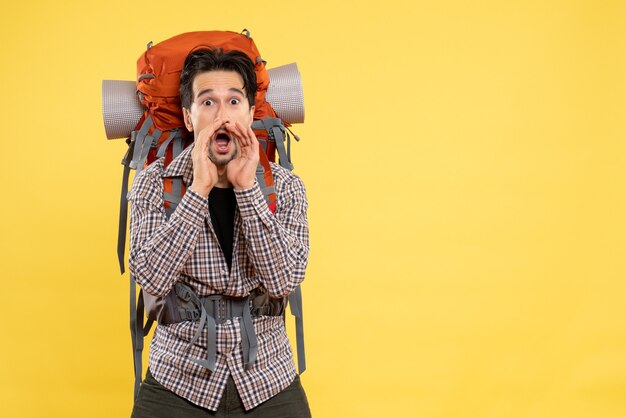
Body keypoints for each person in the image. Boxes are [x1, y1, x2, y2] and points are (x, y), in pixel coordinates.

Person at [128, 48, 311, 417]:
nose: (222, 115)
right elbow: (150, 277)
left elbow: (283, 281)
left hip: (267, 379)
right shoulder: (153, 183)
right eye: (208, 102)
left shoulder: (286, 187)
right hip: (178, 379)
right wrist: (197, 191)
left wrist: (246, 189)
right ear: (188, 117)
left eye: (233, 101)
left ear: (249, 113)